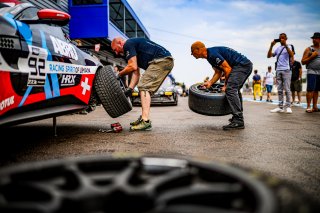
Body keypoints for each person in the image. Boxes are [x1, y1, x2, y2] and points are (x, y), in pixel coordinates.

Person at [111, 37, 174, 130]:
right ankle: (144, 118)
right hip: (164, 60)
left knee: (144, 86)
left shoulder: (128, 44)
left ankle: (145, 121)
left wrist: (119, 74)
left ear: (120, 43)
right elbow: (136, 73)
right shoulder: (132, 48)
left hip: (162, 60)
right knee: (144, 87)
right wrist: (130, 89)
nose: (116, 53)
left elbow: (132, 66)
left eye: (115, 49)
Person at [191, 41, 253, 130]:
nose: (191, 54)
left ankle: (238, 120)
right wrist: (210, 82)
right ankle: (237, 117)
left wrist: (226, 85)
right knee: (234, 90)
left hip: (242, 66)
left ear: (198, 49)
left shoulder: (213, 54)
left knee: (230, 89)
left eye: (192, 52)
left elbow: (227, 69)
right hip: (242, 66)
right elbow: (218, 72)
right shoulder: (209, 57)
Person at [267, 33, 295, 113]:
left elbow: (292, 54)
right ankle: (280, 107)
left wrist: (285, 45)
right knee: (279, 90)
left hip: (286, 70)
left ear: (286, 38)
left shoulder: (289, 46)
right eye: (280, 38)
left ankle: (288, 106)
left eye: (283, 38)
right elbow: (268, 56)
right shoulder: (278, 48)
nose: (281, 39)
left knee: (287, 89)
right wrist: (271, 46)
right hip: (278, 70)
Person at [301, 32, 320, 113]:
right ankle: (308, 106)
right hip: (311, 71)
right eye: (313, 38)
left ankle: (315, 106)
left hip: (319, 72)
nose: (313, 40)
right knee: (310, 90)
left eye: (315, 38)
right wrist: (312, 56)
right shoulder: (309, 49)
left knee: (316, 90)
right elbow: (303, 61)